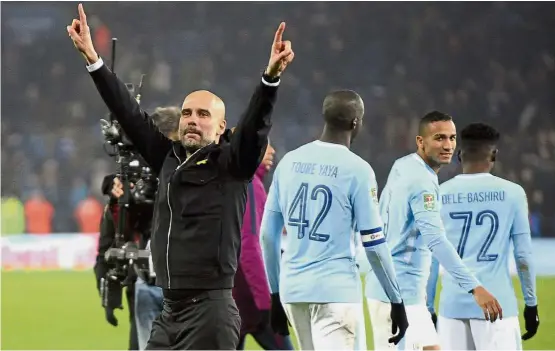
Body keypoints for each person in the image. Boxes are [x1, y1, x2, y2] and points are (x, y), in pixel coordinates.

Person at [67, 4, 294, 349]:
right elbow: (129, 113)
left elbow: (255, 125)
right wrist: (93, 61)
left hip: (211, 312)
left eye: (203, 114)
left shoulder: (232, 165)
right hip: (169, 311)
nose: (192, 119)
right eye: (187, 112)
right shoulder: (167, 158)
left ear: (220, 128)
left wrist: (270, 80)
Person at [260, 90, 408, 350]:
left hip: (293, 292)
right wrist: (396, 299)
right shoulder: (358, 170)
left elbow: (267, 236)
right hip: (335, 291)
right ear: (355, 123)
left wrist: (274, 295)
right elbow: (373, 244)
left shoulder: (290, 162)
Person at [364, 111, 502, 351]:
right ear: (421, 141)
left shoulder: (403, 165)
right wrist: (474, 287)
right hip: (397, 296)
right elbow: (436, 240)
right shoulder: (423, 182)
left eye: (452, 138)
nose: (448, 145)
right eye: (439, 138)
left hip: (401, 292)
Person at [425, 122, 539, 350]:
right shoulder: (513, 193)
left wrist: (428, 307)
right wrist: (531, 303)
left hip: (452, 308)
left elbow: (432, 258)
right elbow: (523, 256)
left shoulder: (439, 194)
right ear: (494, 155)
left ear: (459, 155)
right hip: (498, 308)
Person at [233, 138, 294, 350]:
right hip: (250, 298)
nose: (272, 151)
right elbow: (249, 245)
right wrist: (266, 299)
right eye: (265, 145)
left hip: (234, 296)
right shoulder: (250, 185)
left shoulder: (240, 182)